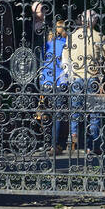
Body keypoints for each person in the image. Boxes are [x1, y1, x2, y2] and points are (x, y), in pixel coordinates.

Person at [65, 10, 105, 155]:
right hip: (93, 77)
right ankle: (92, 145)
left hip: (75, 77)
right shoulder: (99, 37)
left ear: (81, 20)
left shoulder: (72, 36)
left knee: (75, 110)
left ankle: (73, 136)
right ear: (94, 21)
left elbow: (65, 56)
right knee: (94, 113)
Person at [39, 19, 69, 153]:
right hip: (59, 81)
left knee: (47, 113)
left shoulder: (46, 44)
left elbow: (41, 64)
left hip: (46, 81)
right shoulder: (65, 44)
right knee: (59, 113)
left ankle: (46, 141)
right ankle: (56, 143)